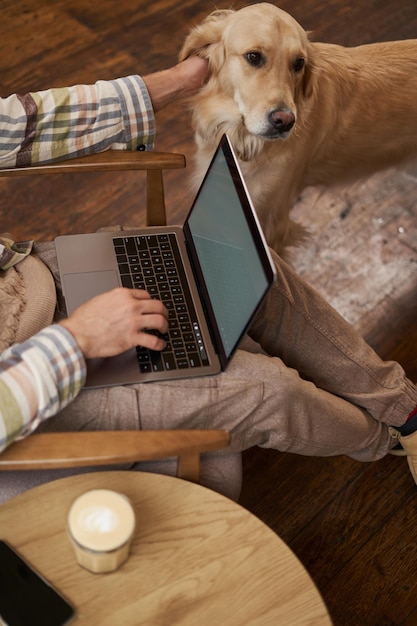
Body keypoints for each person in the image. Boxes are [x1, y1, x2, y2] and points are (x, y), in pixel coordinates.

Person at [1, 56, 417, 491]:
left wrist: (173, 82)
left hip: (27, 277)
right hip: (33, 395)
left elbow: (12, 126)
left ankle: (405, 411)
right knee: (269, 391)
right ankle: (380, 440)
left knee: (246, 260)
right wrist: (79, 339)